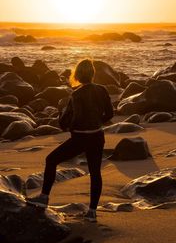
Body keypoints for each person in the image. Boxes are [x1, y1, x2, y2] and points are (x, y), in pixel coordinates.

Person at [26, 59, 113, 222]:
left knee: (51, 160)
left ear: (78, 74)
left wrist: (63, 115)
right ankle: (92, 212)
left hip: (80, 138)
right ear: (93, 74)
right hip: (97, 136)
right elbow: (109, 114)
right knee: (95, 173)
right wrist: (97, 121)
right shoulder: (102, 90)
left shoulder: (76, 94)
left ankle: (44, 198)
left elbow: (66, 123)